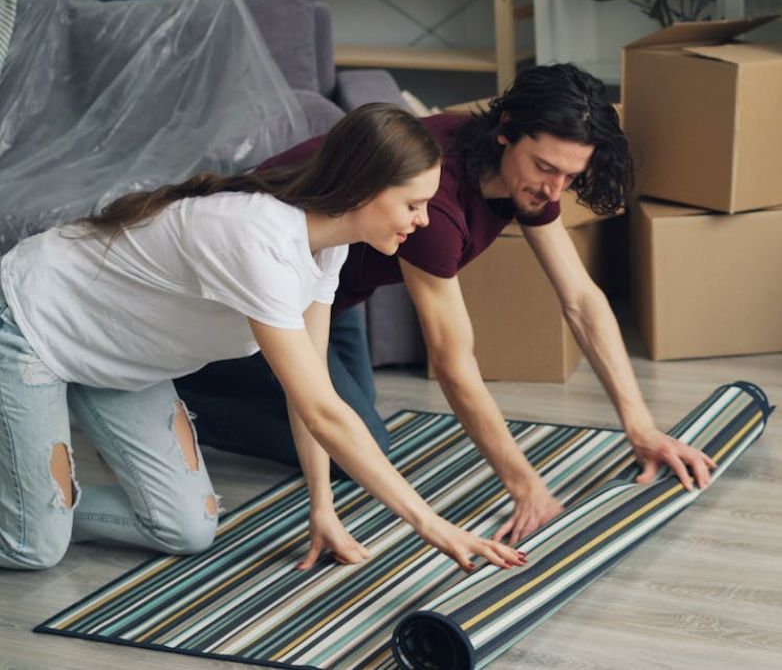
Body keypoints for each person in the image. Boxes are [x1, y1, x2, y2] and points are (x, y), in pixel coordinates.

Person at [176, 64, 716, 562]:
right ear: (507, 130)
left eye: (570, 177)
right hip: (249, 289)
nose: (554, 190)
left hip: (328, 287)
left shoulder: (524, 174)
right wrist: (524, 485)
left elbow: (581, 299)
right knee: (351, 447)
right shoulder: (437, 203)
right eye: (546, 168)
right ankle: (173, 390)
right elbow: (454, 364)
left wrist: (641, 428)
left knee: (346, 422)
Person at [0, 104, 524, 574]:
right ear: (365, 189)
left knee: (187, 529)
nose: (424, 219)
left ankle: (36, 506)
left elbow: (310, 391)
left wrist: (323, 507)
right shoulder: (259, 239)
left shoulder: (329, 248)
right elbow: (325, 413)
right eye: (413, 204)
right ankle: (34, 518)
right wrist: (436, 527)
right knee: (34, 548)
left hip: (118, 358)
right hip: (33, 321)